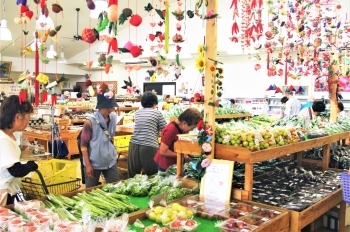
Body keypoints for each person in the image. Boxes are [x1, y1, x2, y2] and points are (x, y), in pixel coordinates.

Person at [0, 95, 38, 206]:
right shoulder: (3, 139)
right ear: (17, 117)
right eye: (28, 117)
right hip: (3, 193)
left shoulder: (8, 135)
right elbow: (16, 171)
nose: (28, 121)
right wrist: (33, 165)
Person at [80, 83, 119, 188]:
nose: (110, 109)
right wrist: (88, 165)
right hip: (94, 163)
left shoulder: (114, 117)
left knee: (115, 188)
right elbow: (83, 145)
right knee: (91, 192)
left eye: (111, 107)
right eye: (107, 107)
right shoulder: (90, 122)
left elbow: (111, 137)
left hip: (110, 161)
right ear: (100, 106)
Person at [128, 91, 167, 178]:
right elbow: (165, 130)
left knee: (133, 176)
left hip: (133, 144)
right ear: (154, 102)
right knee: (153, 175)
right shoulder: (157, 113)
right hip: (149, 145)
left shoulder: (137, 113)